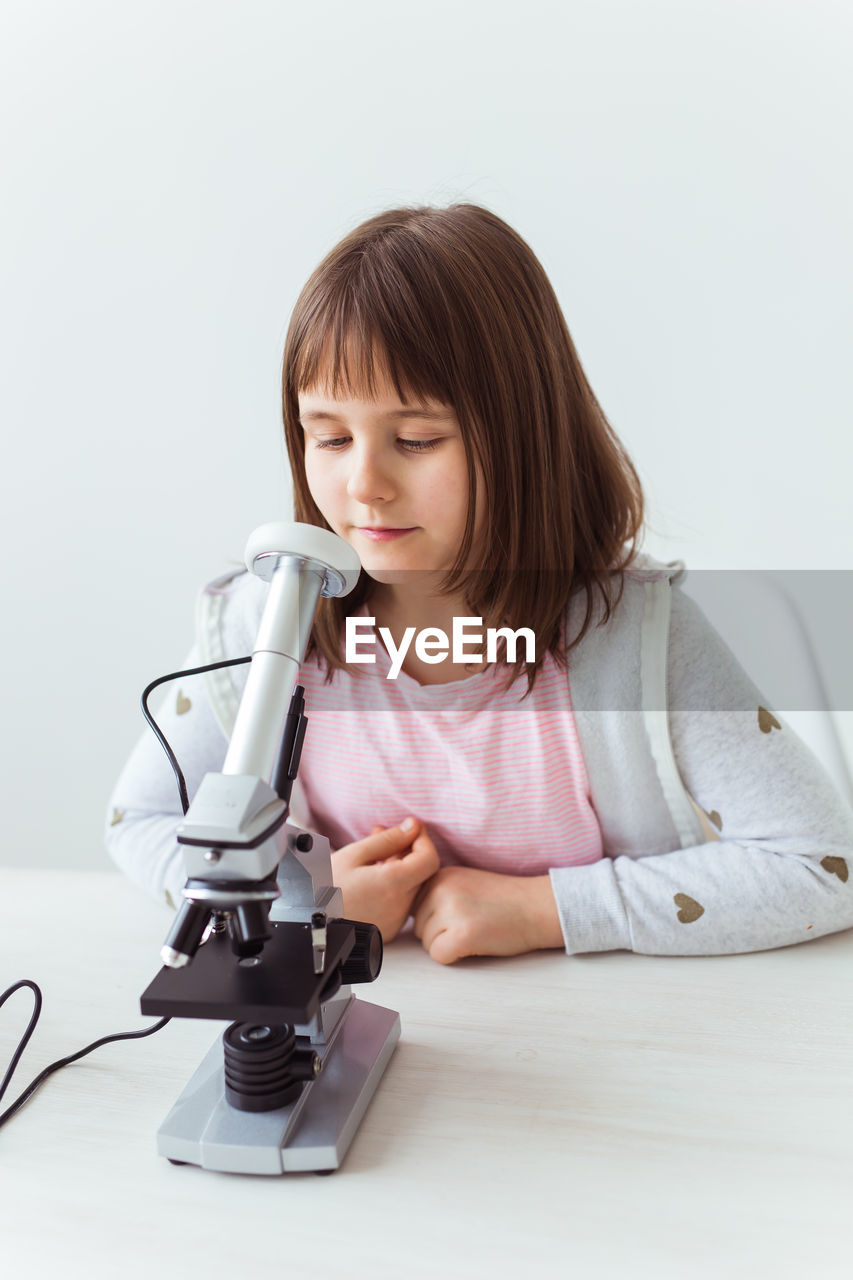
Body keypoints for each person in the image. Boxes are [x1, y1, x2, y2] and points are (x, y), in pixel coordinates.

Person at [106, 203, 853, 964]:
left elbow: (825, 866)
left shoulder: (634, 638)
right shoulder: (260, 628)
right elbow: (138, 820)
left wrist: (547, 910)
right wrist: (301, 899)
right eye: (329, 436)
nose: (364, 484)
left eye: (415, 440)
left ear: (522, 436)